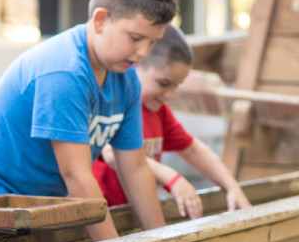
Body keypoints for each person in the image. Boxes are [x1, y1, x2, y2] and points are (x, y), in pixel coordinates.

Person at [0, 0, 178, 241]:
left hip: (36, 205)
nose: (143, 51)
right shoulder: (64, 72)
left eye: (152, 42)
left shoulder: (125, 76)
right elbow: (78, 178)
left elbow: (135, 168)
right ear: (101, 20)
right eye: (136, 38)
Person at [92, 24, 251, 218]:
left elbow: (193, 150)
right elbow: (111, 155)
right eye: (164, 84)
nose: (170, 94)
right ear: (136, 64)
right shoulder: (116, 103)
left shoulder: (159, 112)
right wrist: (172, 178)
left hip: (136, 214)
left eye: (176, 86)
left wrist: (231, 185)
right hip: (104, 213)